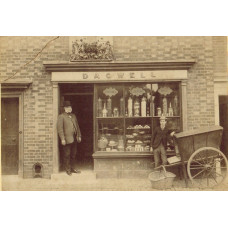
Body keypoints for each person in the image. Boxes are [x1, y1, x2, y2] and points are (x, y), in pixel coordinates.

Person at [57, 101, 81, 176]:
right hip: (66, 139)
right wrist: (62, 139)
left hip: (74, 137)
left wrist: (79, 135)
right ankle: (67, 169)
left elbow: (77, 126)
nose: (69, 108)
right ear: (64, 108)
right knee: (67, 154)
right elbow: (60, 129)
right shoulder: (61, 116)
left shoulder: (73, 116)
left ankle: (73, 168)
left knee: (73, 154)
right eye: (67, 107)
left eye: (70, 107)